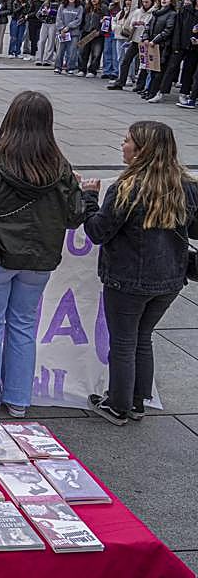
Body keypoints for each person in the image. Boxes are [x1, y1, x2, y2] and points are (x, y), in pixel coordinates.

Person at [0, 91, 87, 418]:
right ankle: (17, 399)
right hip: (40, 258)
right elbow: (74, 216)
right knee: (23, 324)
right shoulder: (59, 167)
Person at [80, 122, 198, 425]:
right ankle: (137, 401)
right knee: (143, 337)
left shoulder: (127, 188)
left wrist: (89, 198)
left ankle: (118, 405)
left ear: (142, 150)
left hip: (127, 279)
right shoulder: (185, 186)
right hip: (170, 280)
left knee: (123, 341)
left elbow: (97, 231)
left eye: (127, 141)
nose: (122, 145)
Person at [53, 0, 83, 74]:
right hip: (62, 32)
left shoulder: (79, 7)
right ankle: (58, 67)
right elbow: (58, 18)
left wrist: (68, 27)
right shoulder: (62, 6)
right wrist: (62, 28)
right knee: (60, 51)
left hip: (74, 33)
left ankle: (70, 67)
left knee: (72, 51)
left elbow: (78, 20)